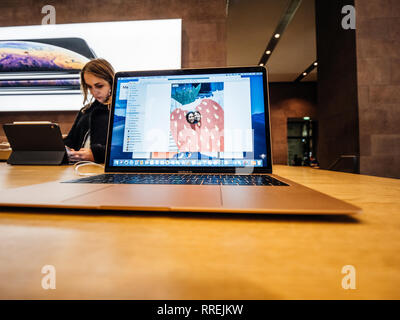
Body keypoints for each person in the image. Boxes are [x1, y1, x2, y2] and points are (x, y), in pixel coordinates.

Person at [64, 58, 114, 163]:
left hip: (103, 170)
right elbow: (71, 141)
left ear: (111, 81)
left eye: (99, 86)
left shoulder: (122, 110)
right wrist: (66, 150)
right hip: (78, 168)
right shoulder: (85, 111)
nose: (94, 92)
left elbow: (128, 149)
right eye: (89, 87)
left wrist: (98, 155)